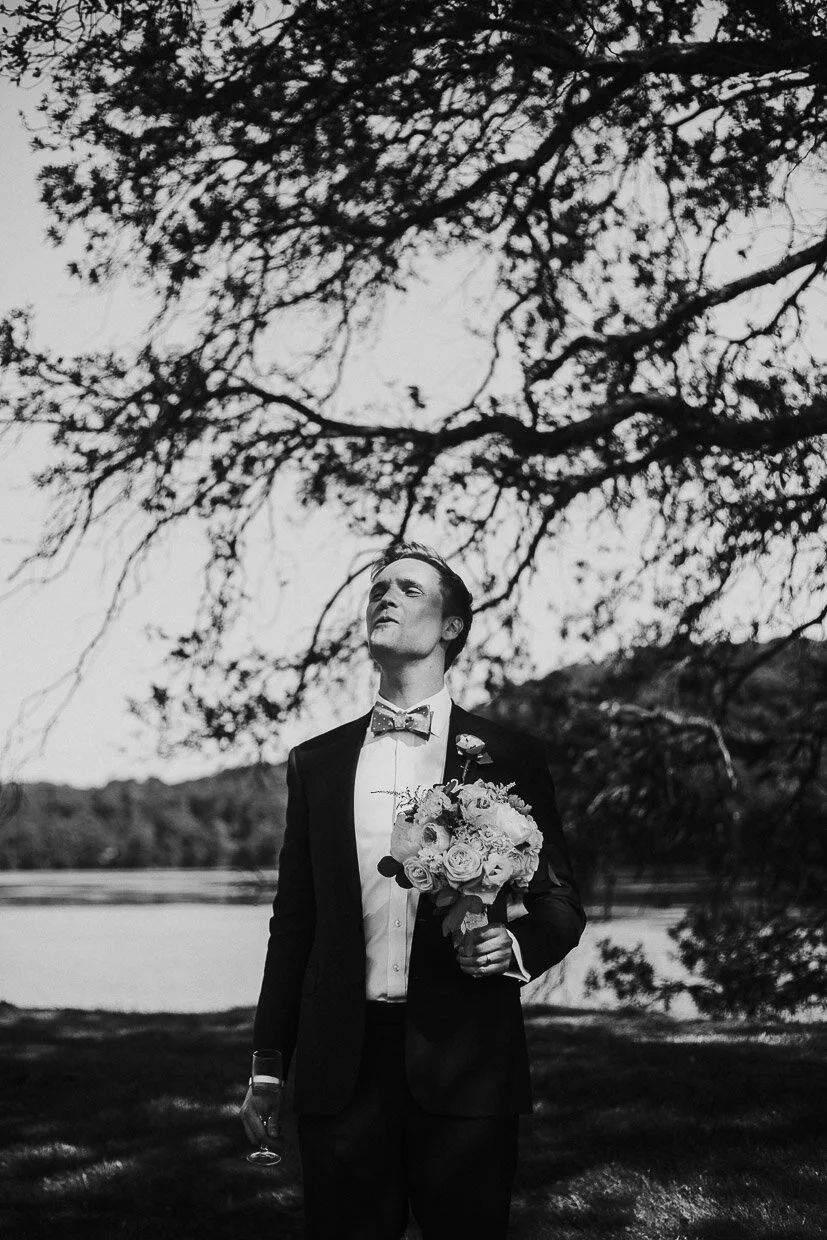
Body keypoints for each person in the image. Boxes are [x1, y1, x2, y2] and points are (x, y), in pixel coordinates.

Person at [241, 541, 586, 1239]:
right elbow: (294, 925)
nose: (382, 599)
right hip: (341, 1066)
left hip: (465, 1060)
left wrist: (511, 946)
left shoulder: (508, 756)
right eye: (375, 590)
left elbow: (560, 904)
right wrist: (269, 1067)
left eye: (405, 589)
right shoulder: (317, 763)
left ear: (452, 626)